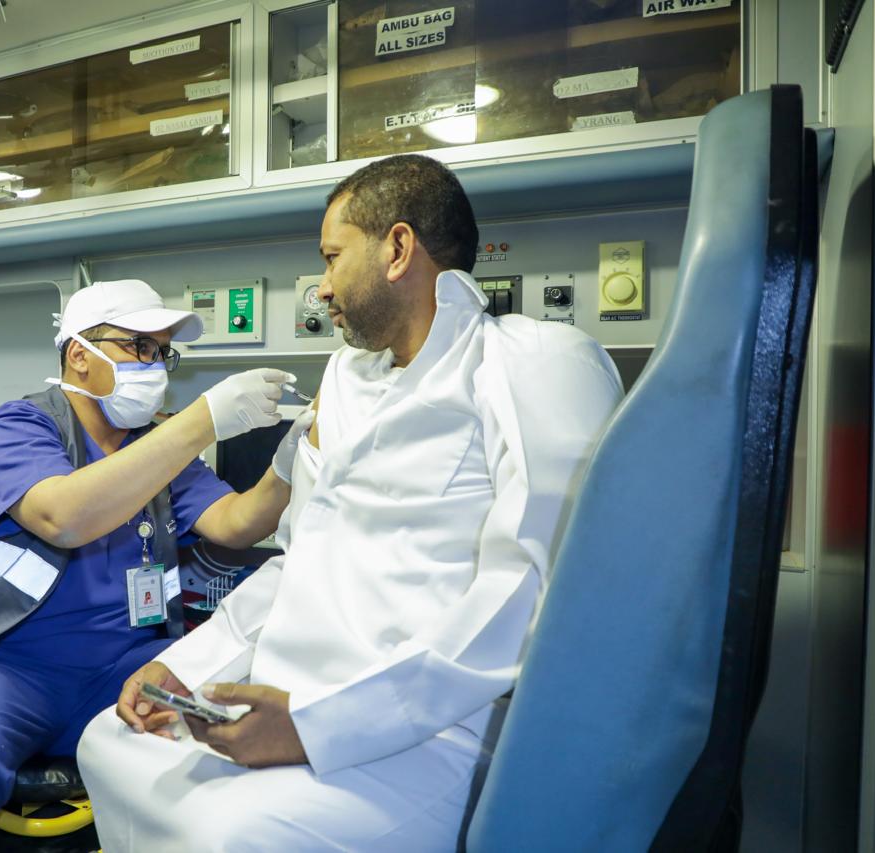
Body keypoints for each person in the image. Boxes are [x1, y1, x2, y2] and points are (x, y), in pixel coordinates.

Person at [76, 154, 625, 850]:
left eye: (332, 258)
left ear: (398, 248)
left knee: (228, 835)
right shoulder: (345, 379)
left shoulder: (532, 362)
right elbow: (299, 561)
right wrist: (188, 666)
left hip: (434, 729)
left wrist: (317, 726)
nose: (323, 288)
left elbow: (532, 595)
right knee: (109, 742)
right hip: (289, 700)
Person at [0, 279, 313, 853]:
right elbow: (63, 516)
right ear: (79, 355)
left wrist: (290, 462)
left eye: (161, 351)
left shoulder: (156, 445)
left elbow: (237, 522)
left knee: (226, 724)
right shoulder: (20, 427)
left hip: (126, 666)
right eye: (139, 347)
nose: (155, 365)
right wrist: (204, 420)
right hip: (5, 666)